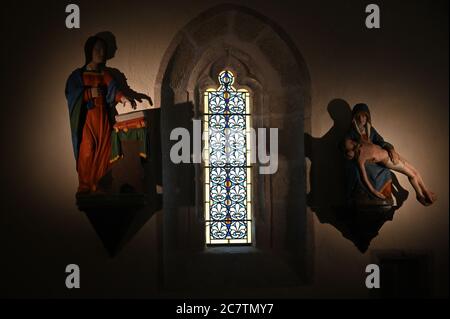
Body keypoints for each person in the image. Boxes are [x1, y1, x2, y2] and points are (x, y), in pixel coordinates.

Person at [65, 36, 135, 194]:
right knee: (87, 150)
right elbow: (71, 95)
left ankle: (100, 185)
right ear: (89, 51)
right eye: (97, 49)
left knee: (105, 151)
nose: (101, 52)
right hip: (87, 120)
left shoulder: (104, 74)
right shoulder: (77, 76)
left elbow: (113, 90)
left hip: (102, 119)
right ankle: (84, 186)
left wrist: (124, 99)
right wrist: (89, 93)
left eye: (103, 49)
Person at [344, 138, 436, 206]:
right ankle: (419, 195)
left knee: (415, 171)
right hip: (388, 161)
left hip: (391, 154)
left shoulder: (362, 142)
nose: (353, 143)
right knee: (412, 175)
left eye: (352, 141)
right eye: (350, 144)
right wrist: (374, 191)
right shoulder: (361, 158)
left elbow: (380, 142)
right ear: (349, 151)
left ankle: (425, 190)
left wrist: (391, 150)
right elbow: (364, 177)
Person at [344, 103, 399, 203]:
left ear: (368, 117)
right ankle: (365, 197)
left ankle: (384, 197)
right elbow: (343, 144)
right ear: (355, 117)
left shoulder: (370, 130)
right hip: (361, 161)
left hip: (373, 160)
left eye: (364, 116)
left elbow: (381, 141)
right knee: (358, 170)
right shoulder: (351, 131)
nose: (362, 119)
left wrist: (391, 149)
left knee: (385, 170)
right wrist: (350, 152)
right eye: (359, 116)